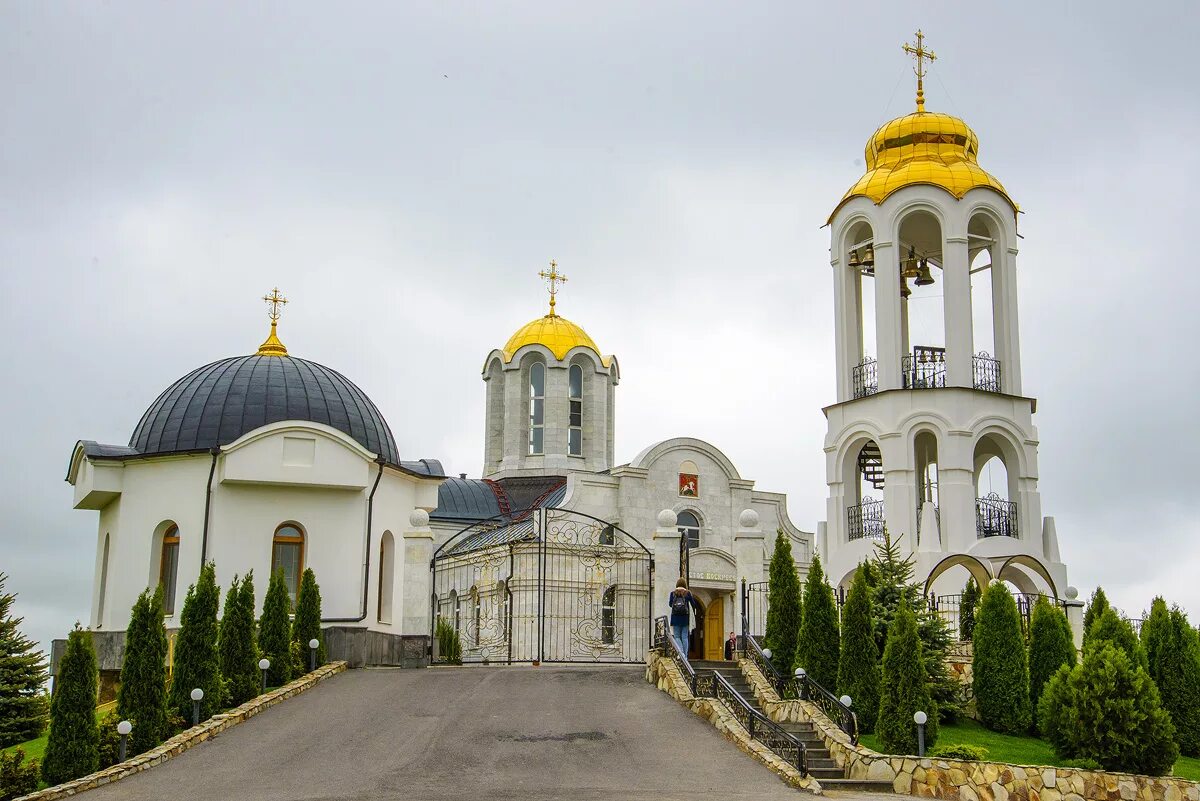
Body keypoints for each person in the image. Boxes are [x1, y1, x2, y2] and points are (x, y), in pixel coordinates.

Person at [668, 578, 700, 657]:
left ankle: (681, 652)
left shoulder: (673, 593)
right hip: (685, 618)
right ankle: (685, 656)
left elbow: (670, 604)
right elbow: (693, 604)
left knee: (677, 636)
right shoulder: (687, 593)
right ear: (685, 585)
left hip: (675, 618)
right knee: (685, 637)